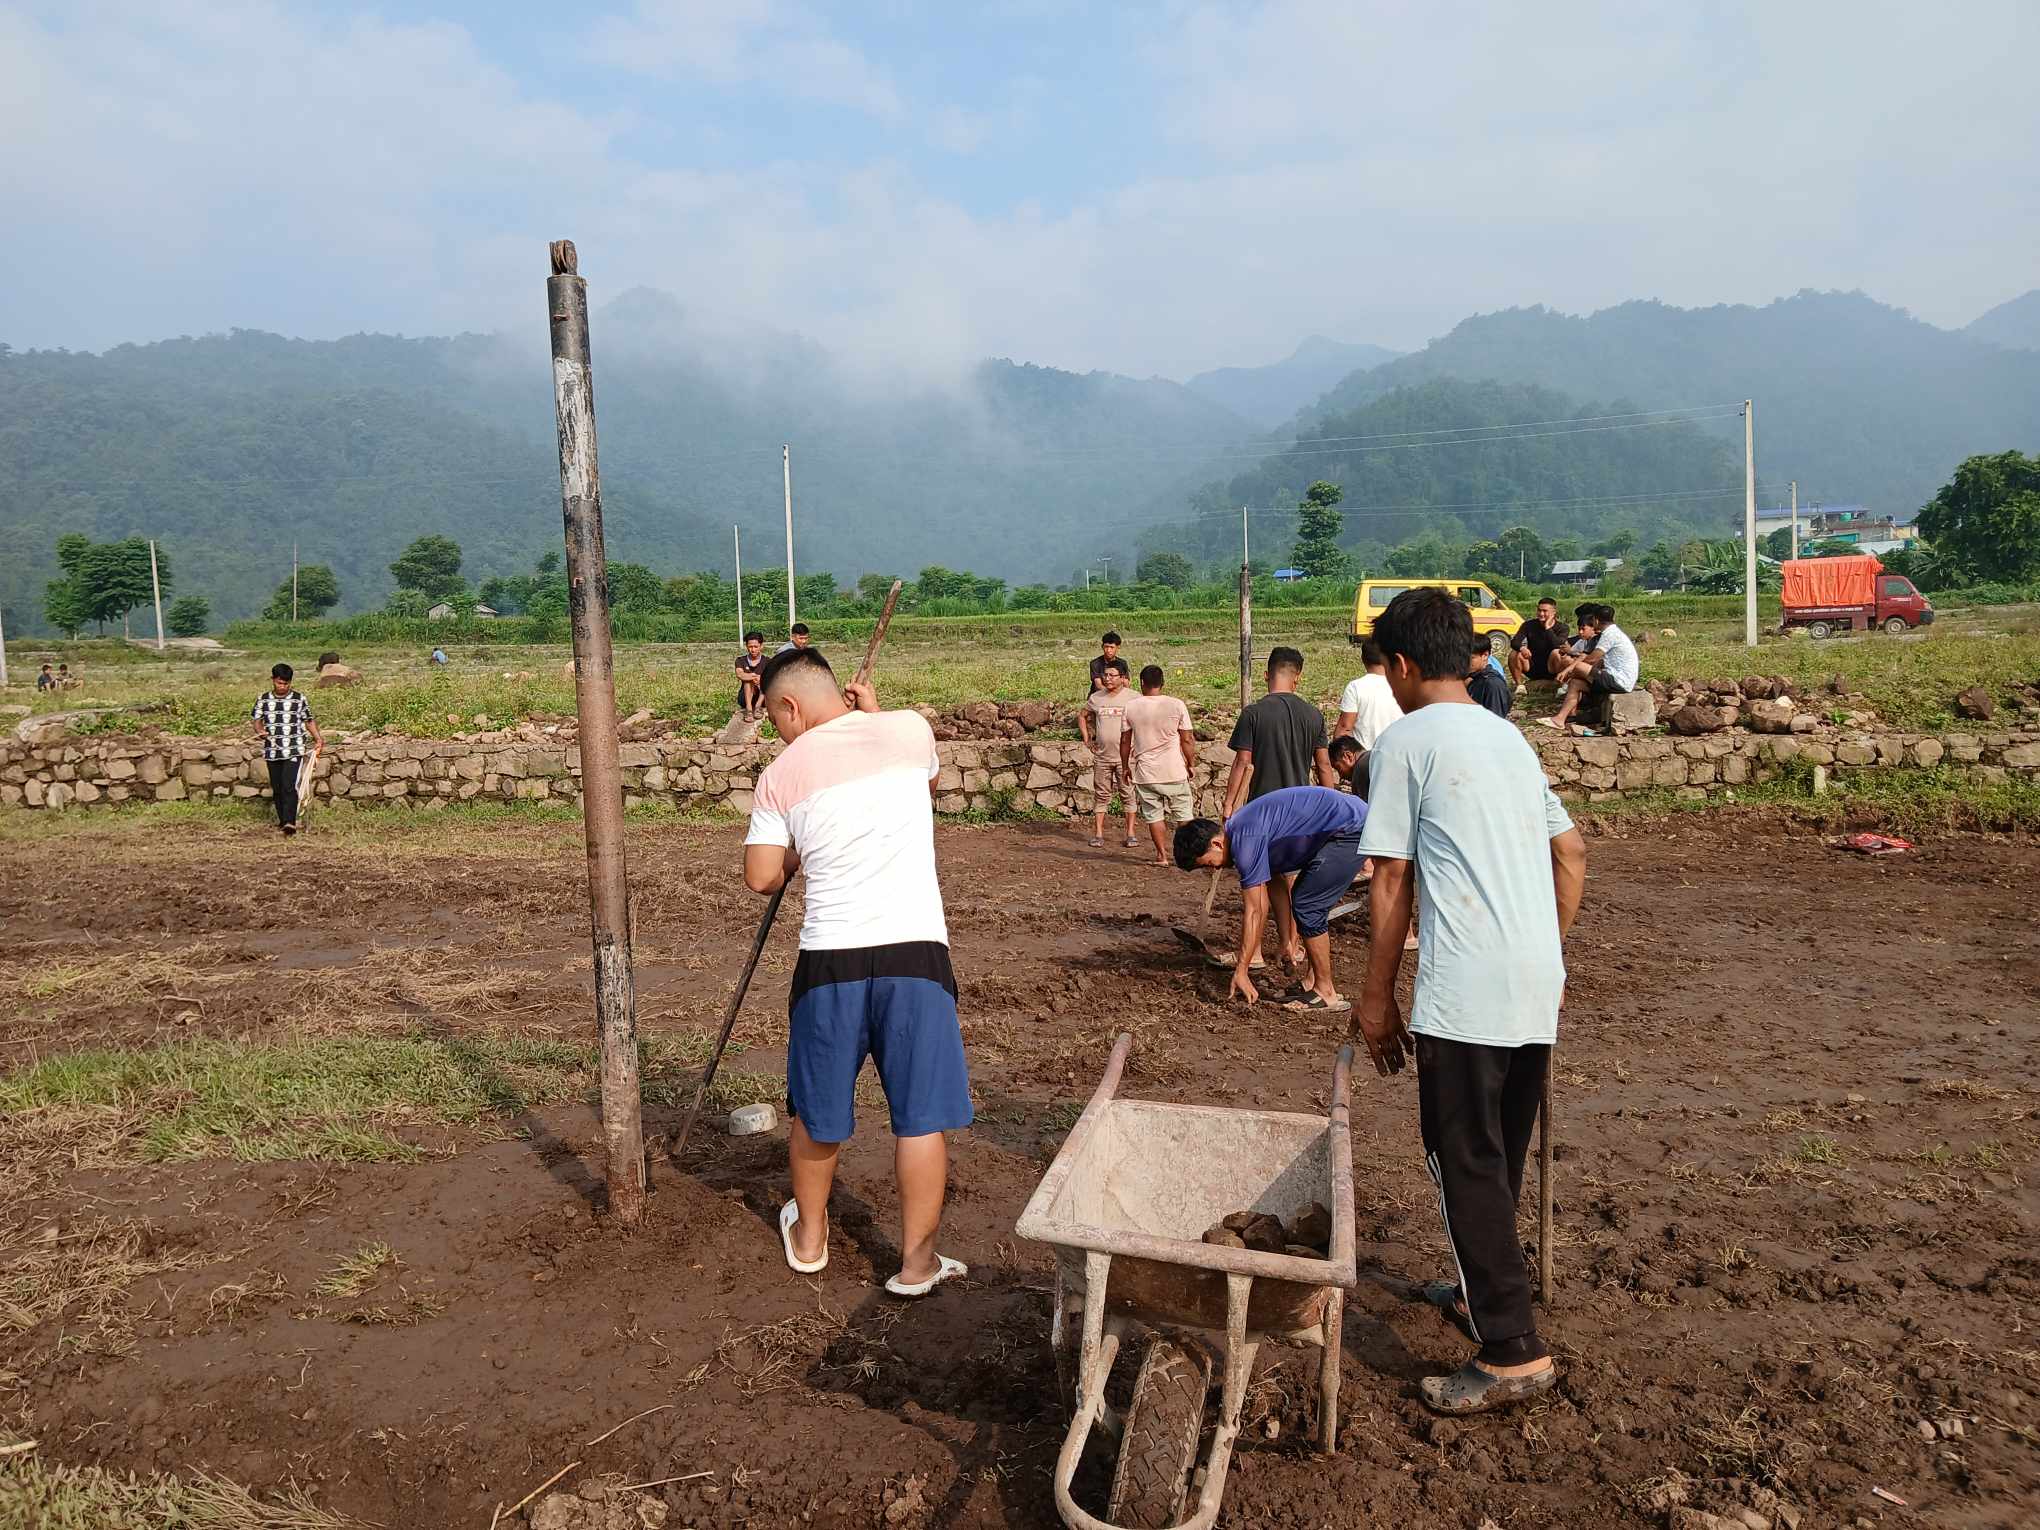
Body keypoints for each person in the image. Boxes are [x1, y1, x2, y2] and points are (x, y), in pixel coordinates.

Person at [1351, 587, 1586, 1416]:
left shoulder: (1407, 741)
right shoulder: (1510, 738)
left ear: (1404, 666)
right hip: (1533, 983)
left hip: (1465, 991)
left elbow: (1388, 875)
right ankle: (1474, 1287)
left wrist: (1375, 999)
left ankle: (1512, 1351)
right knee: (1498, 1154)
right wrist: (1543, 950)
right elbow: (1572, 854)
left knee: (1463, 1160)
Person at [742, 646, 972, 1297]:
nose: (780, 731)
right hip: (917, 957)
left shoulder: (782, 772)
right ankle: (917, 1264)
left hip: (830, 962)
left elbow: (761, 876)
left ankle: (810, 1240)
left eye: (775, 718)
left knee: (816, 1113)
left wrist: (792, 858)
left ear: (790, 705)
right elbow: (925, 786)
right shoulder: (909, 729)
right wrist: (879, 711)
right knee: (920, 1118)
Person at [1174, 785, 1368, 1012]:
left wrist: (1242, 970)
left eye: (1208, 863)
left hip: (1350, 829)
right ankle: (1312, 982)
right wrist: (1287, 940)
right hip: (1341, 826)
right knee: (1305, 900)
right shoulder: (1242, 833)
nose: (1214, 869)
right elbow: (1275, 881)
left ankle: (1325, 992)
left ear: (1217, 844)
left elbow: (1256, 910)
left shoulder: (1245, 840)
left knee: (1308, 905)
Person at [1222, 647, 1336, 818]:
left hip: (1261, 809)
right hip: (1299, 809)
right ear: (1297, 678)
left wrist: (1229, 804)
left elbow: (1242, 761)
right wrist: (1332, 807)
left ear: (1266, 675)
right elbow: (1324, 766)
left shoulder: (1252, 713)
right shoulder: (1314, 715)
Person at [1119, 664, 1198, 867]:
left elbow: (1125, 742)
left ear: (1141, 683)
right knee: (1184, 815)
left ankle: (1162, 855)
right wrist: (1191, 764)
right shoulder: (1177, 705)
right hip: (1174, 769)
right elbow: (1187, 739)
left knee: (1154, 815)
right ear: (1162, 683)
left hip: (1146, 773)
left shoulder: (1131, 706)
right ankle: (1188, 855)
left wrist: (1125, 766)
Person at [250, 662, 323, 836]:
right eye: (279, 683)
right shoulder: (263, 699)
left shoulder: (299, 698)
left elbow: (308, 720)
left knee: (289, 785)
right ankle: (283, 821)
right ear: (273, 680)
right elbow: (257, 720)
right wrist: (260, 731)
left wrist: (318, 738)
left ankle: (290, 822)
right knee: (277, 786)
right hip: (272, 750)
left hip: (294, 748)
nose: (282, 687)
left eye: (286, 683)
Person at [1540, 602, 1639, 732]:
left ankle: (1564, 684)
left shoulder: (1610, 635)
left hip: (1619, 680)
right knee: (1576, 683)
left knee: (1579, 667)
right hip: (1614, 677)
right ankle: (1560, 719)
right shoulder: (1611, 633)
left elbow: (1592, 659)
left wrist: (1568, 671)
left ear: (1596, 620)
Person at [1080, 658, 1138, 848]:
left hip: (1126, 758)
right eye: (1105, 675)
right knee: (1101, 794)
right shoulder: (1096, 698)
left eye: (1112, 675)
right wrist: (1087, 739)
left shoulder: (1134, 698)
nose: (1107, 679)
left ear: (1123, 678)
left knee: (1127, 794)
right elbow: (1082, 715)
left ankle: (1130, 834)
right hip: (1102, 757)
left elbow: (1144, 720)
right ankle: (1098, 833)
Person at [1507, 599, 1570, 688]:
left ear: (1553, 612)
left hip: (1551, 667)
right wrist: (1522, 648)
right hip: (1532, 665)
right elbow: (1515, 641)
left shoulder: (1563, 628)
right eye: (1539, 610)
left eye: (1545, 611)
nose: (1541, 614)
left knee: (1557, 652)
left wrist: (1547, 628)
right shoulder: (1528, 625)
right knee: (1514, 653)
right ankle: (1520, 686)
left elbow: (1557, 645)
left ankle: (1560, 685)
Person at [1466, 635, 1514, 719]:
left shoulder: (1492, 684)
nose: (1465, 662)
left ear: (1485, 655)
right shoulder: (1471, 678)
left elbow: (1495, 719)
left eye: (1471, 658)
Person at [734, 630, 767, 718]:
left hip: (763, 697)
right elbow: (740, 674)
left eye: (756, 647)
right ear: (746, 647)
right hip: (745, 697)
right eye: (750, 647)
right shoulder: (740, 660)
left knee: (766, 680)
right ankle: (748, 709)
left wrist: (761, 679)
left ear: (761, 646)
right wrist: (754, 677)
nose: (753, 650)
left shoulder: (768, 661)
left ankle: (758, 706)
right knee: (748, 680)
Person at [1087, 631, 1124, 696]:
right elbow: (1098, 685)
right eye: (1106, 647)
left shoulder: (1123, 663)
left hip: (1117, 695)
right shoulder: (1095, 663)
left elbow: (1126, 683)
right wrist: (1112, 695)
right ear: (1102, 646)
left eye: (1112, 647)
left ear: (1118, 647)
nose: (1108, 650)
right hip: (1099, 695)